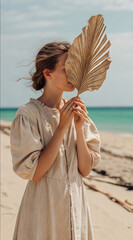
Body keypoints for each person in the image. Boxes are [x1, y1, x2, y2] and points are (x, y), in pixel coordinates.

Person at [10, 41, 101, 240]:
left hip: (76, 205)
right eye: (67, 68)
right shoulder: (28, 115)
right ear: (48, 73)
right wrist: (61, 127)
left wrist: (78, 127)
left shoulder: (77, 112)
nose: (74, 73)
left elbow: (85, 170)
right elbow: (36, 172)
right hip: (44, 207)